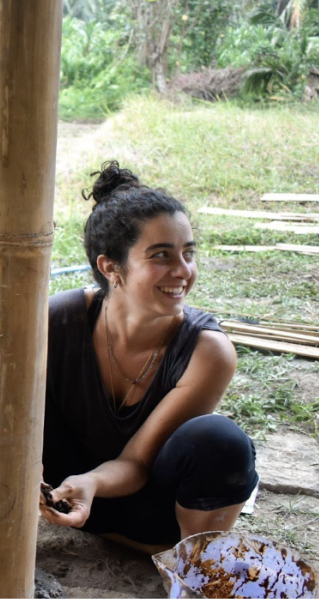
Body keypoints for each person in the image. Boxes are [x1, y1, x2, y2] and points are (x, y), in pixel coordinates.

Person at [39, 160, 258, 553]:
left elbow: (138, 463)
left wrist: (91, 483)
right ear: (111, 267)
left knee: (219, 441)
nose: (183, 271)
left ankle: (194, 564)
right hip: (58, 495)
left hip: (150, 519)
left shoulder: (207, 352)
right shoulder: (58, 321)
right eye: (161, 256)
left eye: (188, 254)